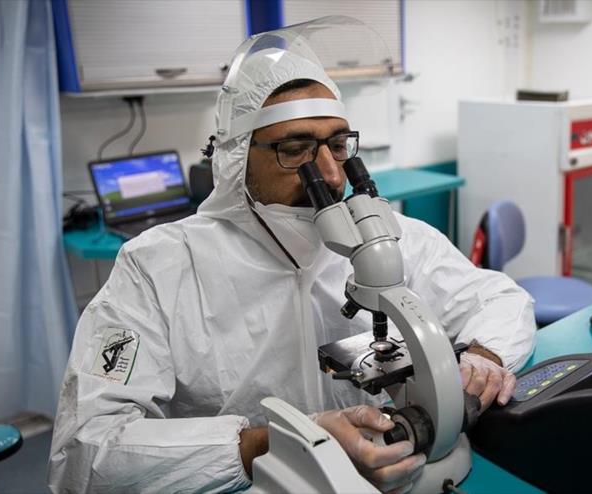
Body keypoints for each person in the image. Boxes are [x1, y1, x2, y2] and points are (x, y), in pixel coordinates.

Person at [48, 19, 535, 494]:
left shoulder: (390, 237)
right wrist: (275, 444)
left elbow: (501, 299)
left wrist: (482, 358)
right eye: (296, 148)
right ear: (238, 156)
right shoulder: (156, 268)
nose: (329, 173)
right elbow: (87, 452)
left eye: (338, 145)